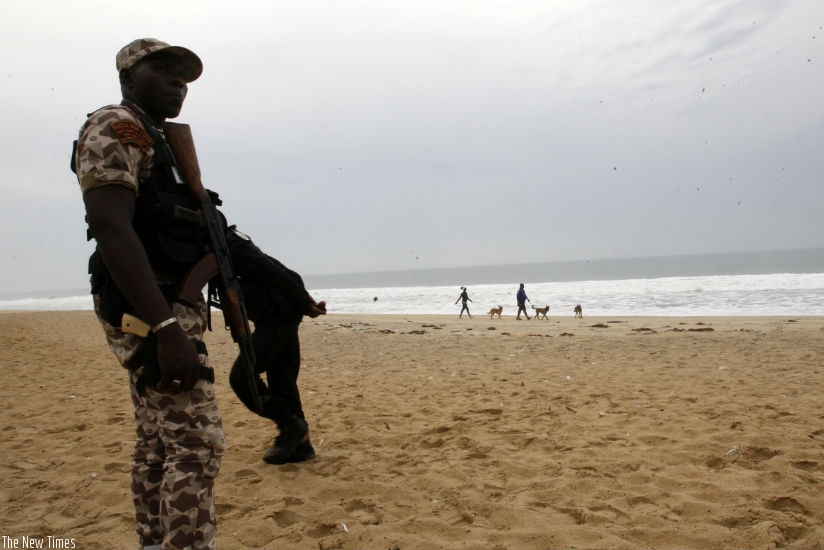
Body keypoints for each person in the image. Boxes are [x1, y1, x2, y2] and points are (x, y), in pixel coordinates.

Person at [73, 38, 224, 550]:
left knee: (159, 442)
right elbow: (111, 229)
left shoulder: (158, 140)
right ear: (128, 77)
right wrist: (163, 328)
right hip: (147, 308)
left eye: (183, 75)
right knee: (198, 444)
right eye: (163, 70)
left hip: (164, 302)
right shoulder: (116, 127)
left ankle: (154, 541)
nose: (178, 81)